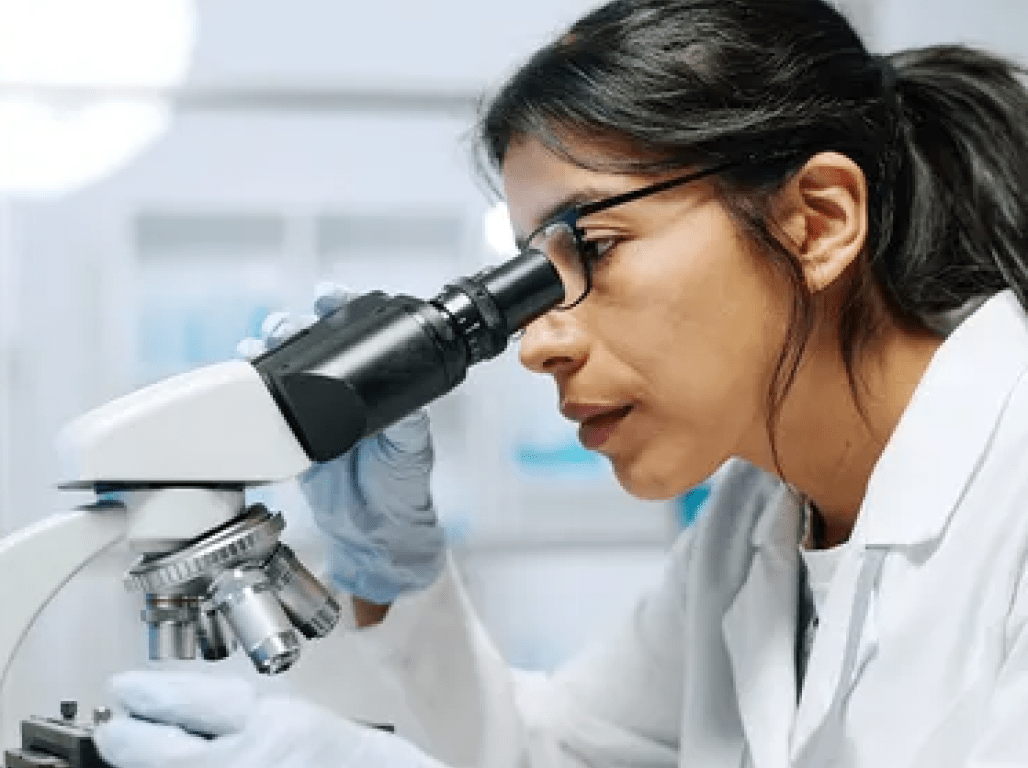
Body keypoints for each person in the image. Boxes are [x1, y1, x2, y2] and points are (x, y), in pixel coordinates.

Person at [94, 0, 1028, 766]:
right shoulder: (752, 525)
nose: (536, 345)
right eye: (529, 271)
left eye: (594, 246)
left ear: (816, 222)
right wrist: (392, 572)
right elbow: (554, 752)